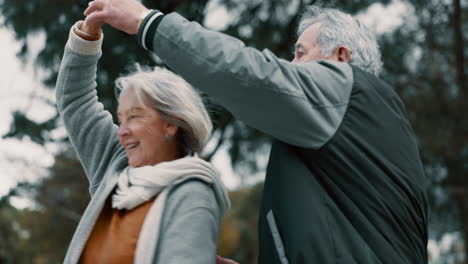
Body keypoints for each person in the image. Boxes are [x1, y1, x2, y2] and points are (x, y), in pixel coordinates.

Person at [83, 1, 429, 263]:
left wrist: (147, 22)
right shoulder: (369, 129)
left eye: (300, 53)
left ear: (341, 57)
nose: (290, 66)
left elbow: (251, 74)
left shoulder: (350, 92)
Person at [55, 16, 230, 264]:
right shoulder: (116, 164)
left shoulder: (193, 195)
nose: (122, 130)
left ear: (171, 123)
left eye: (135, 117)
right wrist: (88, 33)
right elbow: (75, 101)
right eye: (121, 118)